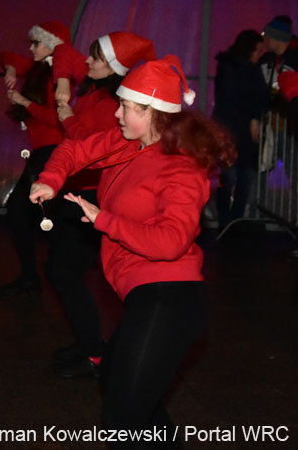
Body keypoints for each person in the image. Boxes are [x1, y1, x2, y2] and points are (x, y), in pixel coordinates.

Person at [30, 55, 235, 445]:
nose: (117, 114)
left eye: (126, 107)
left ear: (153, 112)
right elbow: (73, 150)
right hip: (145, 297)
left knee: (123, 417)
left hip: (169, 299)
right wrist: (51, 180)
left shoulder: (182, 168)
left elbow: (171, 242)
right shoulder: (127, 142)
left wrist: (104, 219)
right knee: (126, 394)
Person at [45, 31, 155, 379]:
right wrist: (64, 82)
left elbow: (94, 148)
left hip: (93, 195)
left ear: (115, 67)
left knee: (65, 272)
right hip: (80, 192)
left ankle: (94, 351)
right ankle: (89, 343)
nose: (87, 61)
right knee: (63, 271)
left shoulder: (112, 103)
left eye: (96, 57)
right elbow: (63, 51)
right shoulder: (97, 90)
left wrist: (67, 117)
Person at [0, 20, 69, 296]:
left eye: (37, 43)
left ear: (51, 45)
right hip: (43, 151)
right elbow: (6, 56)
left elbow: (59, 119)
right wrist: (11, 70)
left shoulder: (56, 77)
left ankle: (37, 275)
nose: (31, 48)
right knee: (35, 213)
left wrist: (25, 103)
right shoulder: (40, 69)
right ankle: (41, 273)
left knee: (19, 211)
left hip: (52, 151)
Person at [212, 30, 269, 228]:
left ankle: (231, 221)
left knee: (240, 176)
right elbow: (250, 96)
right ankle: (229, 220)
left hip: (235, 130)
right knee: (232, 176)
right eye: (258, 50)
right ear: (249, 49)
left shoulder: (237, 67)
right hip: (232, 130)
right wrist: (254, 117)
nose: (260, 54)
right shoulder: (236, 68)